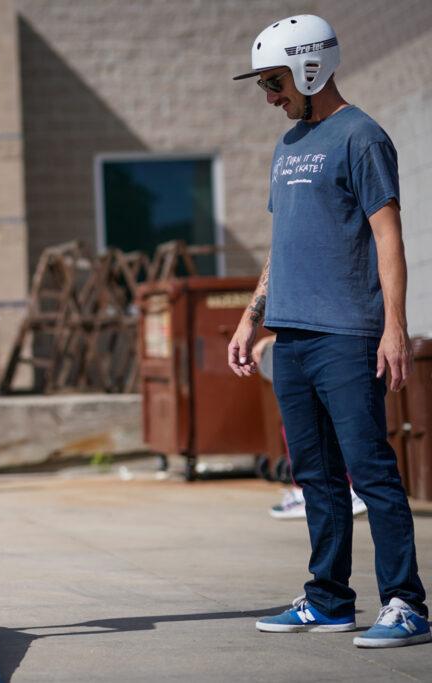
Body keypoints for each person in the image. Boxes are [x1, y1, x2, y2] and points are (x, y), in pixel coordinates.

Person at [228, 15, 428, 647]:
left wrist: (393, 328)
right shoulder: (287, 146)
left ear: (310, 67)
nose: (269, 95)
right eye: (265, 83)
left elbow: (388, 237)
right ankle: (330, 597)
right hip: (290, 336)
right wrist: (249, 316)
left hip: (347, 335)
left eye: (274, 80)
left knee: (370, 471)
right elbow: (281, 244)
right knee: (314, 474)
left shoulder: (361, 137)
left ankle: (406, 602)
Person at [254, 336, 367, 520]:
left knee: (315, 422)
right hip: (323, 348)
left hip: (321, 349)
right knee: (313, 422)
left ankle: (313, 492)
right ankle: (312, 491)